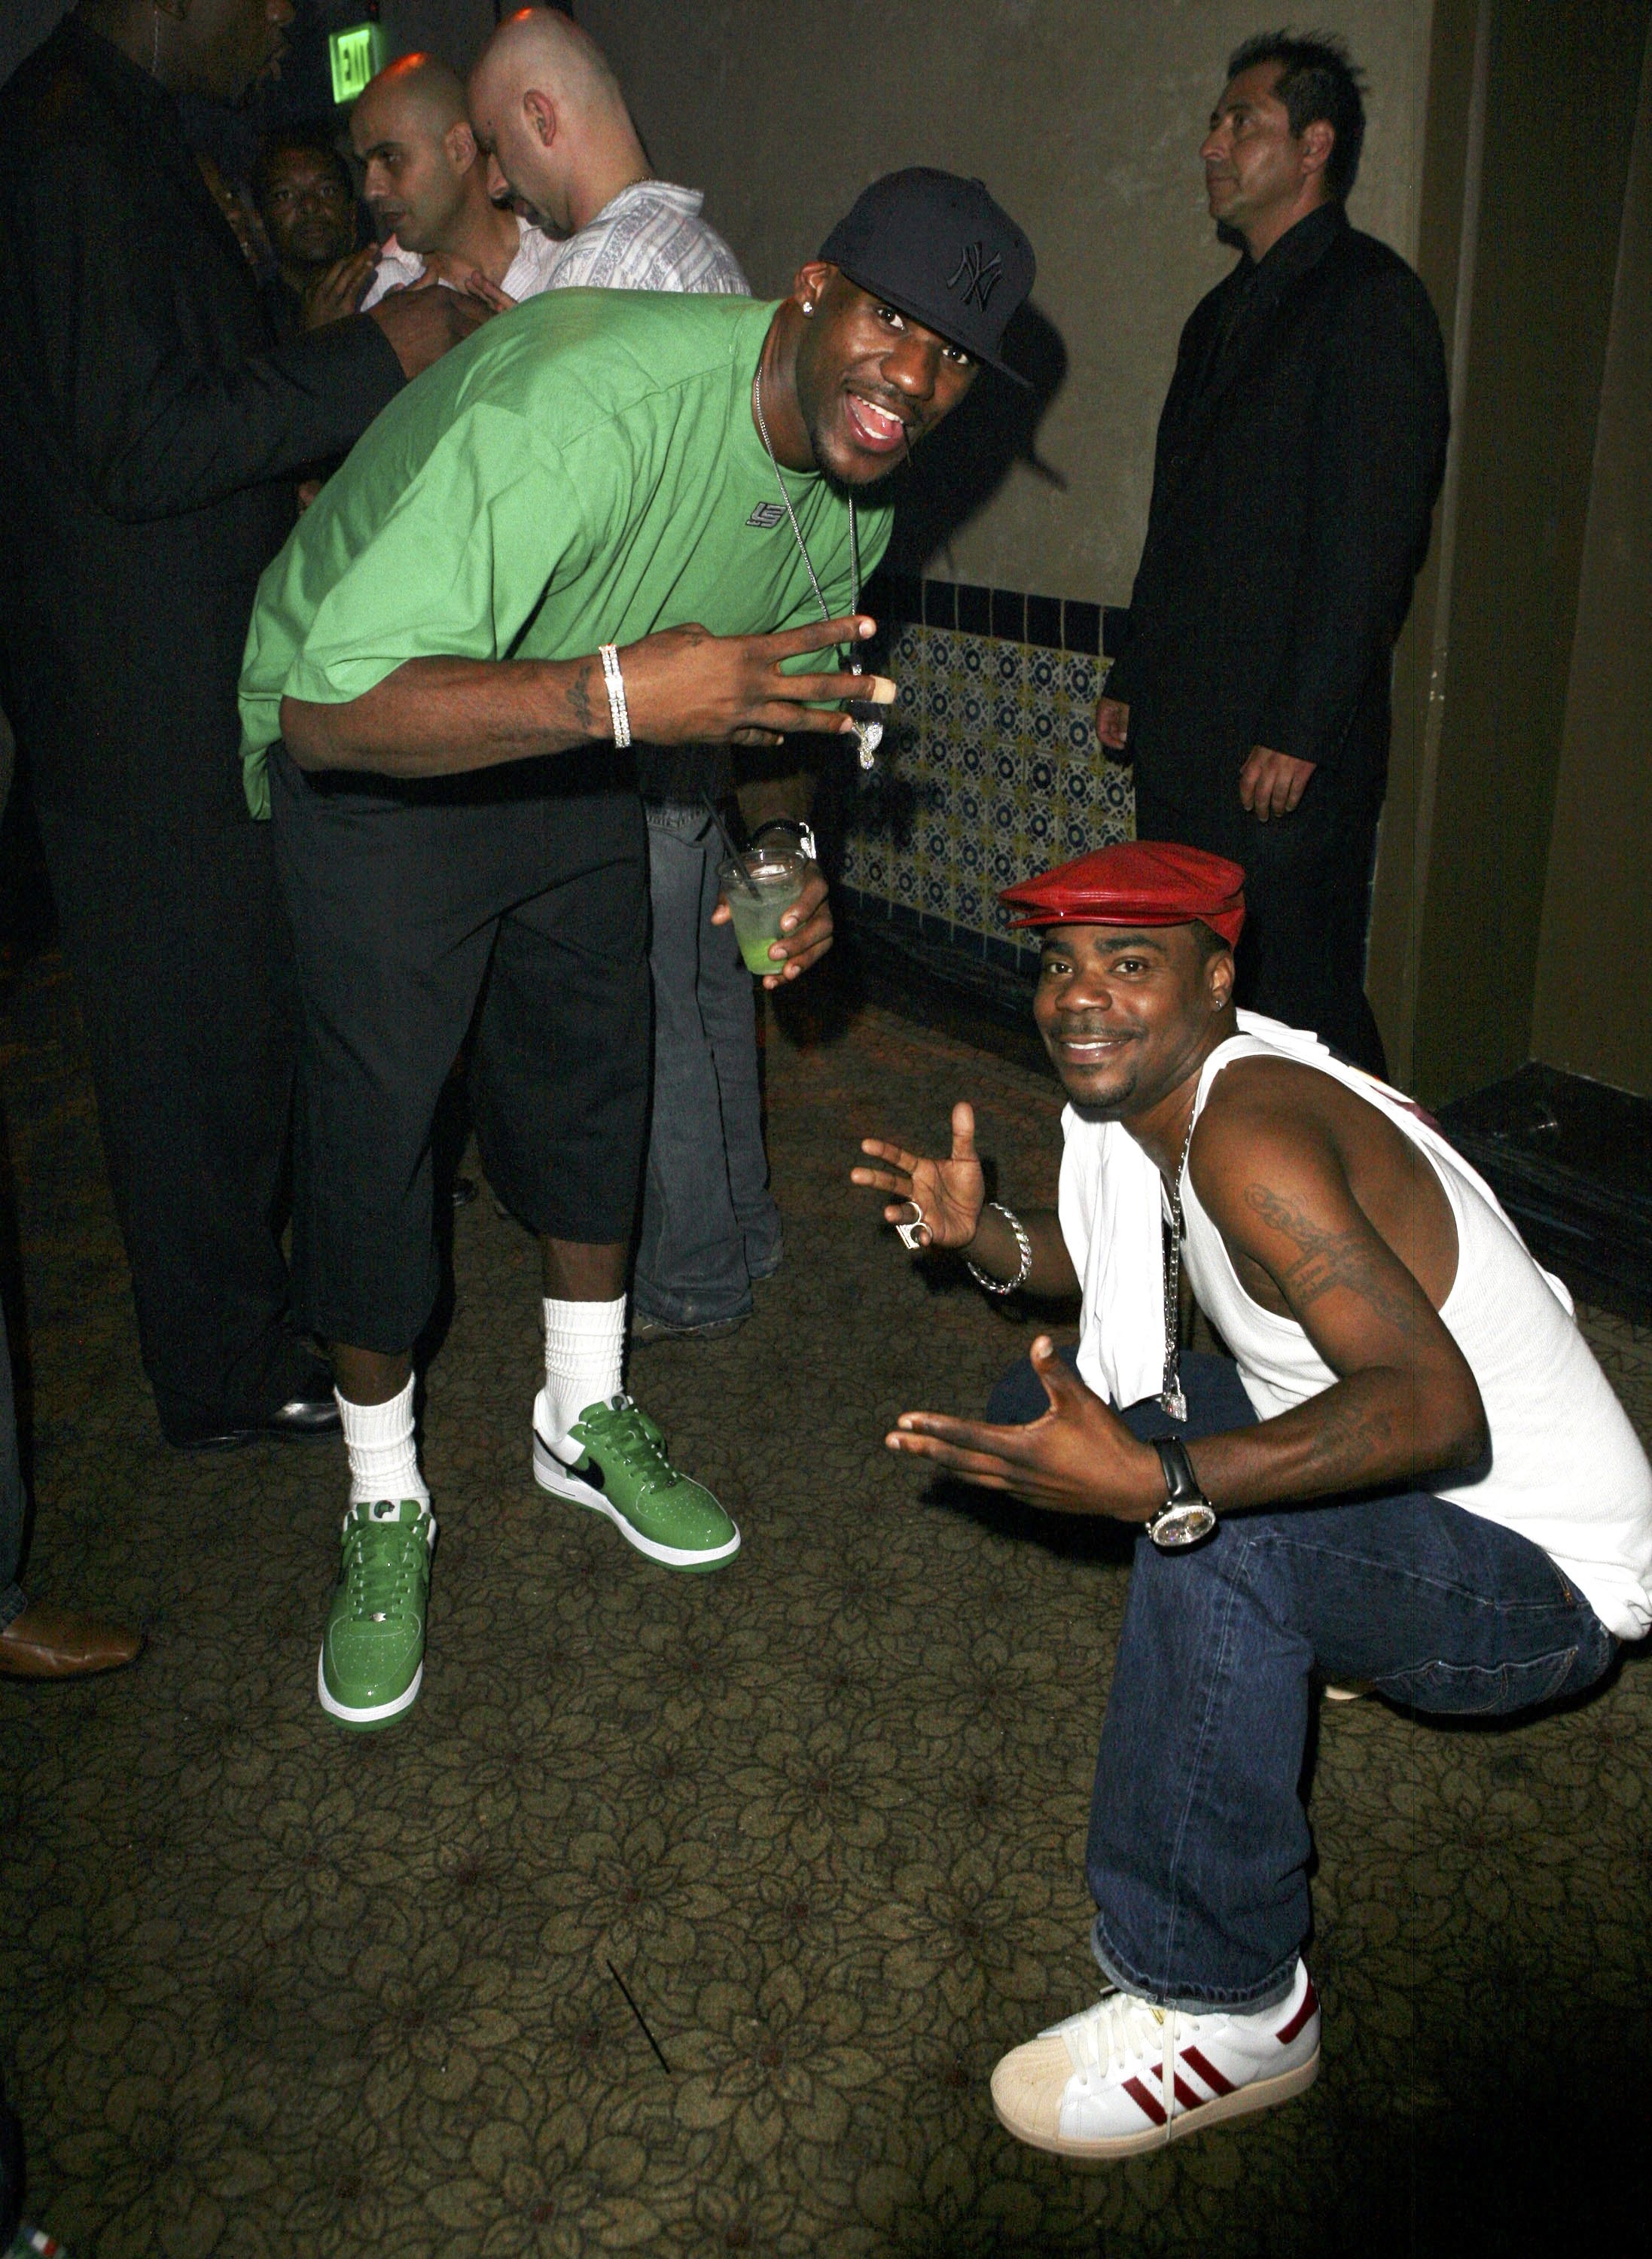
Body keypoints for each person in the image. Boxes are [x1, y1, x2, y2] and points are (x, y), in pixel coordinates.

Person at [236, 167, 1034, 1730]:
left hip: (568, 740)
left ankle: (581, 1414)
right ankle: (382, 1498)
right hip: (378, 737)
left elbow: (769, 705)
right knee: (380, 1139)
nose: (915, 382)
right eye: (894, 321)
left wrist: (778, 854)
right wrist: (619, 697)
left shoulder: (853, 499)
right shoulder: (584, 410)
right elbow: (328, 718)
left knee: (600, 1073)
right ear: (809, 290)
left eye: (954, 359)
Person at [852, 839, 1652, 2159]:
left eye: (1128, 963)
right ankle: (1321, 1618)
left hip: (1541, 1581)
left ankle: (1226, 2003)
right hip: (1427, 1487)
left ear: (1215, 979)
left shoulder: (1249, 1136)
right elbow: (1087, 1264)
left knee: (1209, 1538)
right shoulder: (1175, 1106)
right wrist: (979, 1234)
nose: (1077, 997)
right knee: (1041, 1409)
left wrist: (1166, 1479)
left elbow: (1431, 1408)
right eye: (1058, 965)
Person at [0, 0, 486, 1451]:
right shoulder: (73, 144)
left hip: (178, 679)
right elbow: (141, 439)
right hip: (136, 702)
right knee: (185, 1057)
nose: (279, 14)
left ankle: (248, 1319)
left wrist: (300, 333)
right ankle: (217, 1372)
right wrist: (370, 356)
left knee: (232, 1030)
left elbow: (172, 377)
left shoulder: (122, 129)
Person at [468, 4, 773, 1343]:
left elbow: (514, 494)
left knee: (643, 1009)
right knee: (704, 990)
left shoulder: (599, 274)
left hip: (624, 698)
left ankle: (691, 1274)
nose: (493, 178)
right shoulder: (691, 247)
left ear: (543, 119)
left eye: (495, 144)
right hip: (693, 692)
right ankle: (738, 1238)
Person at [1097, 33, 1449, 1075]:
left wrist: (1300, 728)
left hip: (1283, 753)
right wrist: (1133, 669)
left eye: (1237, 121)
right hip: (1186, 733)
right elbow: (1181, 521)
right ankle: (1212, 1206)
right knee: (1194, 983)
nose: (1210, 142)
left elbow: (1370, 536)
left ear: (1312, 145)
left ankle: (1376, 1209)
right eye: (1213, 122)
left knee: (1296, 1006)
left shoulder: (1369, 301)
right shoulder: (1216, 318)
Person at [353, 53, 562, 310]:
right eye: (365, 165)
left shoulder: (563, 241)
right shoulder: (378, 292)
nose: (371, 190)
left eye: (390, 157)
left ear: (460, 149)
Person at [250, 127, 373, 331]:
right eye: (285, 195)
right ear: (261, 223)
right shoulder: (250, 322)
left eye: (326, 190)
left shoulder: (389, 290)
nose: (309, 205)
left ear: (352, 214)